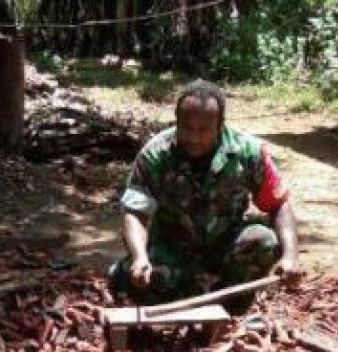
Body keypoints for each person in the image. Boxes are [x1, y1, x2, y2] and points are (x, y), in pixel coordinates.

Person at [108, 80, 301, 314]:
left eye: (204, 130)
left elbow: (279, 204)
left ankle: (232, 303)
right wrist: (140, 257)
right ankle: (172, 285)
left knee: (264, 242)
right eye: (187, 128)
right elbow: (135, 213)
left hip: (225, 245)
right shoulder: (154, 155)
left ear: (220, 125)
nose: (195, 138)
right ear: (176, 121)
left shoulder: (248, 152)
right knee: (140, 278)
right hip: (173, 247)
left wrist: (291, 256)